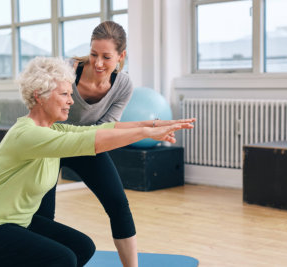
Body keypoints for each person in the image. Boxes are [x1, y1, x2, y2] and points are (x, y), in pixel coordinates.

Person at [0, 56, 195, 267]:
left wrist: (154, 125)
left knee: (83, 247)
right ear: (39, 96)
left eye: (70, 94)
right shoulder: (28, 135)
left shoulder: (54, 129)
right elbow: (93, 140)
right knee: (62, 259)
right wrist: (145, 133)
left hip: (18, 222)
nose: (71, 101)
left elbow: (105, 128)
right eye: (64, 94)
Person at [35, 20, 181, 267]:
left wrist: (147, 129)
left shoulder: (123, 85)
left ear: (121, 56)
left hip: (88, 144)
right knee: (43, 215)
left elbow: (107, 130)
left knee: (118, 203)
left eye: (106, 56)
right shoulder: (67, 72)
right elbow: (39, 111)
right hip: (53, 144)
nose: (98, 63)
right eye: (93, 54)